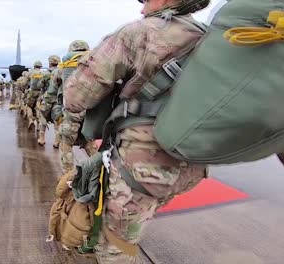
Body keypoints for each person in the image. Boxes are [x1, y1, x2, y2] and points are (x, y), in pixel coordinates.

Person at [63, 0, 210, 263]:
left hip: (141, 169)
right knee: (137, 218)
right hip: (193, 163)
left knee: (116, 247)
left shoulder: (137, 33)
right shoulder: (211, 38)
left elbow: (76, 98)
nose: (142, 8)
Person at [59, 41, 98, 173]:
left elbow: (54, 87)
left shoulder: (64, 65)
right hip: (91, 111)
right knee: (89, 142)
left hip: (72, 111)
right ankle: (99, 172)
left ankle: (68, 176)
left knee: (67, 145)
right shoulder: (95, 62)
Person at [36, 55, 61, 146]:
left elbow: (39, 86)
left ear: (50, 63)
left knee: (43, 117)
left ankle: (42, 138)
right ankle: (57, 141)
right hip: (58, 100)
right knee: (57, 120)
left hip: (47, 98)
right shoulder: (60, 72)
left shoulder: (46, 73)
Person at [25, 61, 44, 130]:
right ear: (40, 66)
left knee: (29, 106)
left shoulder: (30, 72)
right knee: (38, 108)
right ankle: (38, 125)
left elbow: (26, 82)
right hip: (40, 92)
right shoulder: (43, 73)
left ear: (34, 66)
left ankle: (31, 120)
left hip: (32, 92)